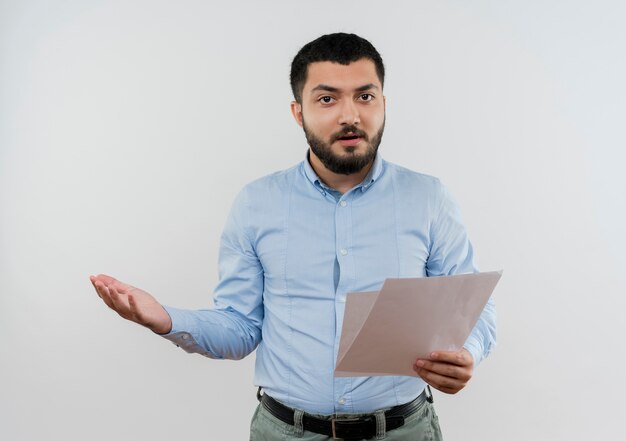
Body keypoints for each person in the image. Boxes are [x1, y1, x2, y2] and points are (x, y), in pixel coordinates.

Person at [90, 32, 496, 440]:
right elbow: (241, 326)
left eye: (365, 96)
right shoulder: (256, 204)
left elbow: (472, 310)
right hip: (285, 432)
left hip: (404, 430)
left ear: (384, 104)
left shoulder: (429, 200)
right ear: (297, 112)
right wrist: (165, 318)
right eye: (327, 99)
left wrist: (467, 354)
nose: (350, 115)